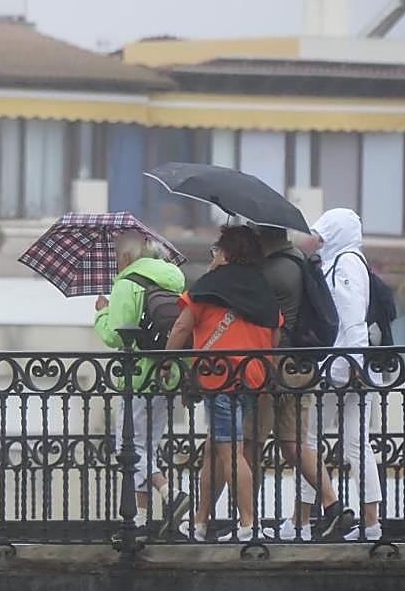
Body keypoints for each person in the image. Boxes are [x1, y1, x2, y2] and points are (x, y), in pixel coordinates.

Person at [165, 225, 281, 543]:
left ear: (227, 254)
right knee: (214, 452)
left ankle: (247, 524)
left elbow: (180, 328)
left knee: (230, 451)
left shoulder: (207, 287)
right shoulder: (262, 289)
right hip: (250, 378)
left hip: (219, 378)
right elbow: (275, 336)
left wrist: (166, 361)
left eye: (215, 251)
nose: (213, 257)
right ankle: (200, 523)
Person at [254, 225, 354, 542]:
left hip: (272, 367)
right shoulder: (301, 260)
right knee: (296, 443)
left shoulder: (270, 271)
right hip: (303, 366)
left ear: (263, 237)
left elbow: (254, 313)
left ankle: (248, 521)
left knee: (249, 443)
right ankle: (333, 504)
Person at [93, 231, 190, 536]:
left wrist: (102, 312)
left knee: (129, 446)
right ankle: (140, 521)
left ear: (126, 257)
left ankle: (169, 493)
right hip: (167, 373)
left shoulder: (127, 283)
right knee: (146, 445)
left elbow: (115, 335)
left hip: (138, 376)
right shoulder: (174, 278)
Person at [303, 209, 384, 541]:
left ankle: (301, 523)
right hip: (350, 368)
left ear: (336, 234)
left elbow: (352, 320)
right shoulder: (350, 260)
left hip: (340, 370)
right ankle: (371, 524)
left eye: (324, 233)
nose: (319, 240)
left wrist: (355, 365)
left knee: (306, 442)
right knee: (356, 444)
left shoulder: (346, 263)